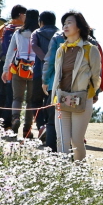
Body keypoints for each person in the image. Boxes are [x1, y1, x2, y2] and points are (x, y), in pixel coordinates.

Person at [50, 11, 102, 161]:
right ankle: (64, 174)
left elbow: (95, 76)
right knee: (62, 140)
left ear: (79, 26)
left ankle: (79, 173)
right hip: (61, 98)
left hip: (82, 99)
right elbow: (57, 75)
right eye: (64, 24)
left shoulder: (90, 49)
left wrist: (89, 94)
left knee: (76, 141)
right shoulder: (61, 50)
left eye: (69, 22)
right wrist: (54, 95)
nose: (65, 26)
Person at [0, 4, 27, 130]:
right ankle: (7, 124)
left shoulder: (4, 28)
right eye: (25, 14)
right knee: (12, 94)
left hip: (1, 63)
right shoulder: (23, 30)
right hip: (17, 65)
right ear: (21, 14)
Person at [3, 9, 40, 137]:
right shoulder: (38, 33)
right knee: (30, 100)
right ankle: (27, 129)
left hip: (18, 67)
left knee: (17, 98)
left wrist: (5, 70)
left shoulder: (18, 32)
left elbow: (10, 53)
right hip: (34, 69)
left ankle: (15, 119)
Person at [30, 11, 58, 143]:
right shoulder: (59, 34)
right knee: (50, 101)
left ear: (41, 21)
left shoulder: (36, 32)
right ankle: (50, 126)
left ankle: (41, 126)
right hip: (56, 73)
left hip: (39, 72)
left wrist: (45, 59)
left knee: (35, 100)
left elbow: (34, 45)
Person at [41, 23, 67, 152]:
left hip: (55, 85)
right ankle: (68, 155)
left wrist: (45, 80)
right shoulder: (90, 40)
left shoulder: (57, 38)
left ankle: (52, 153)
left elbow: (49, 61)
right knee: (72, 122)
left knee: (52, 121)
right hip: (78, 89)